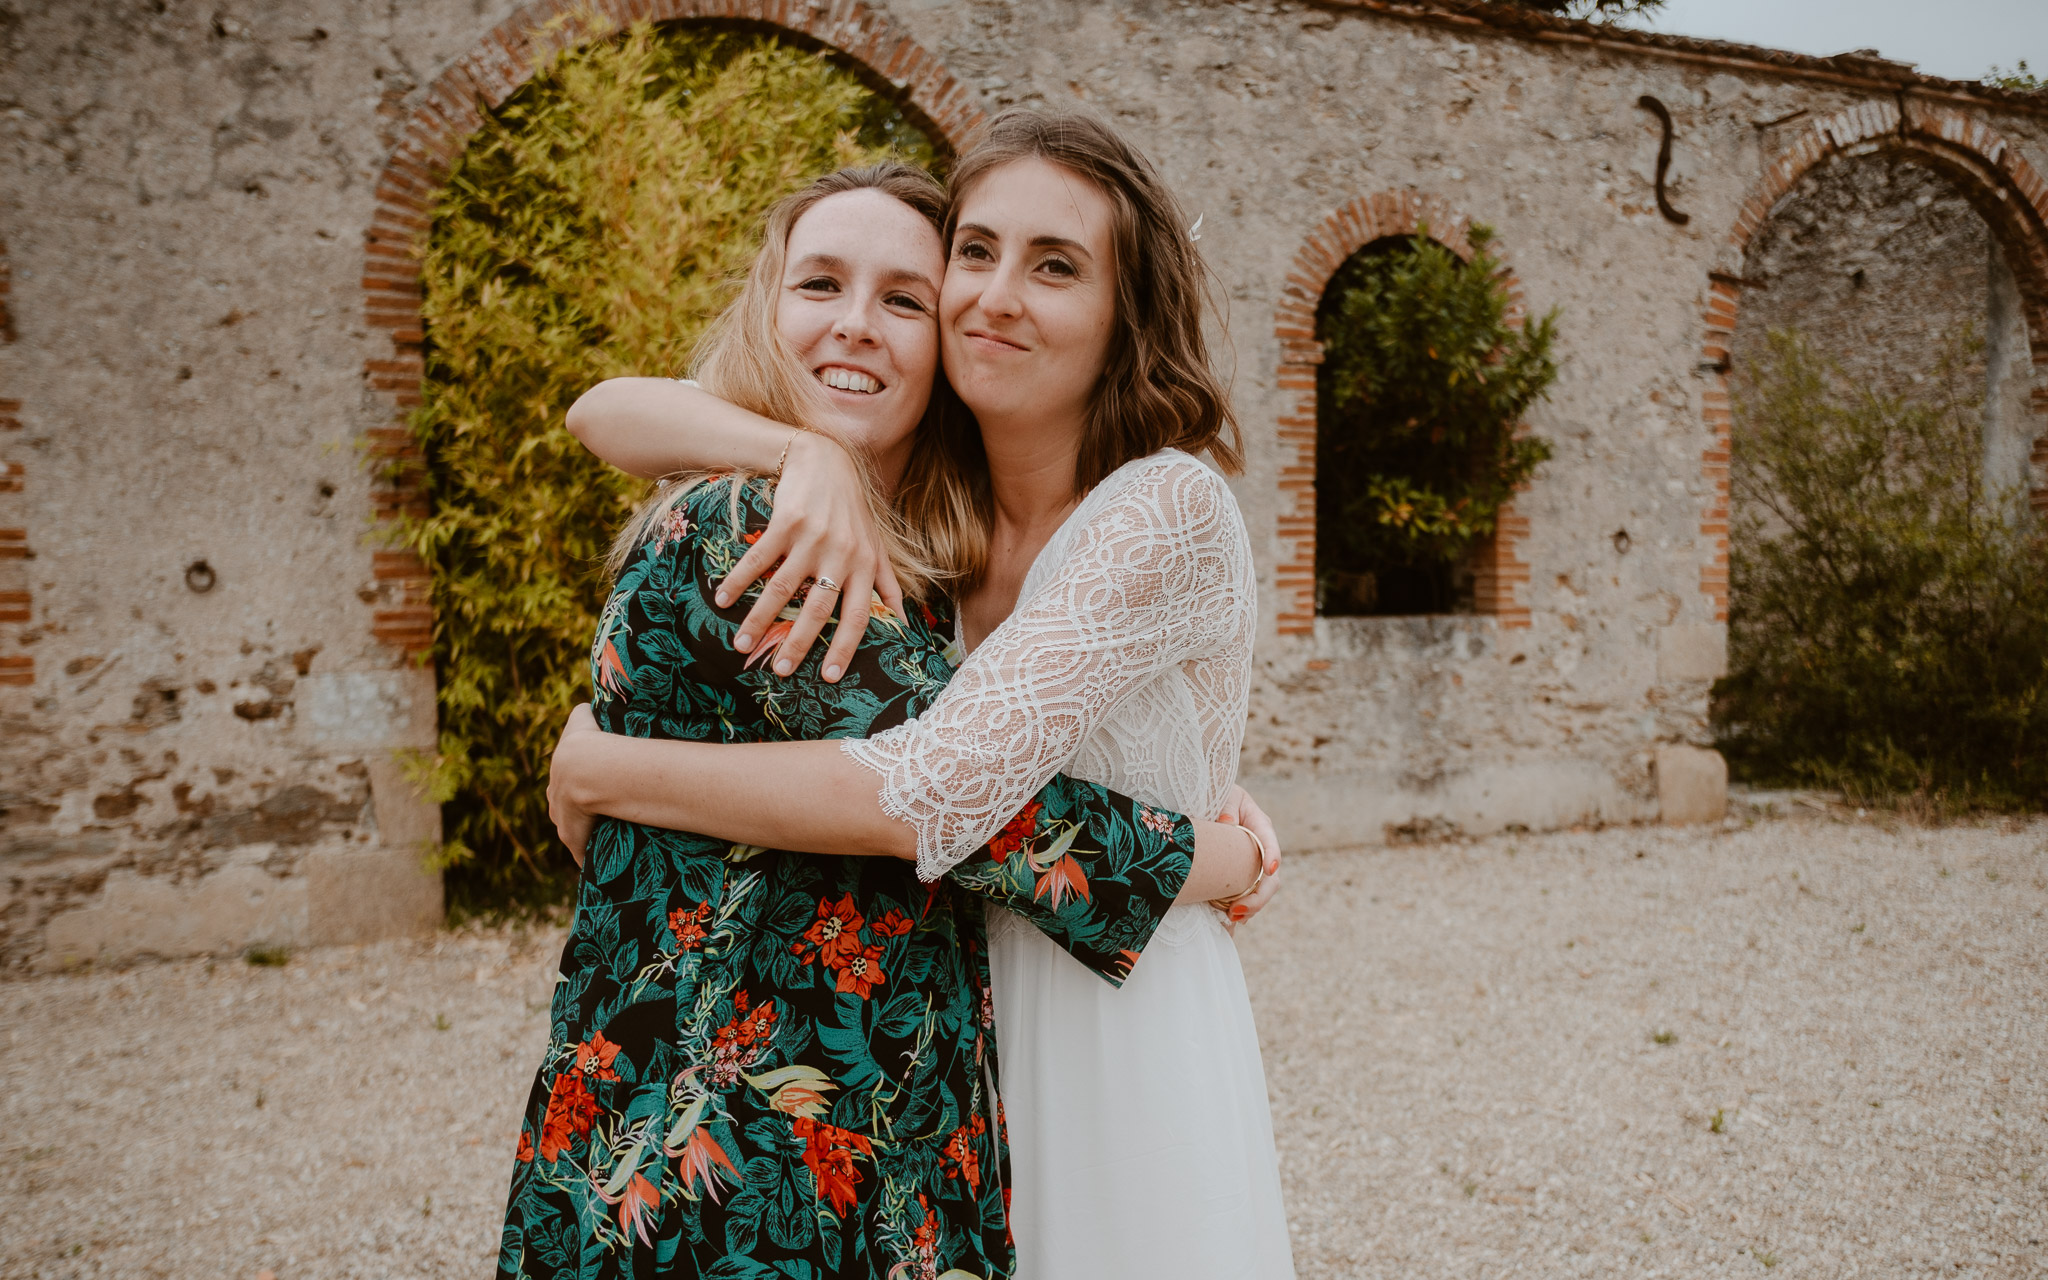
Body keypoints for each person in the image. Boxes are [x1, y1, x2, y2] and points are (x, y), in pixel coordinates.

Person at [551, 108, 1296, 1279]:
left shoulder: (1147, 505)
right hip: (929, 1024)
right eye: (977, 251)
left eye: (1054, 265)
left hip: (1105, 1016)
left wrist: (606, 769)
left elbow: (938, 784)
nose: (994, 293)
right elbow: (599, 408)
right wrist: (1216, 852)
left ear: (1123, 316)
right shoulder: (868, 524)